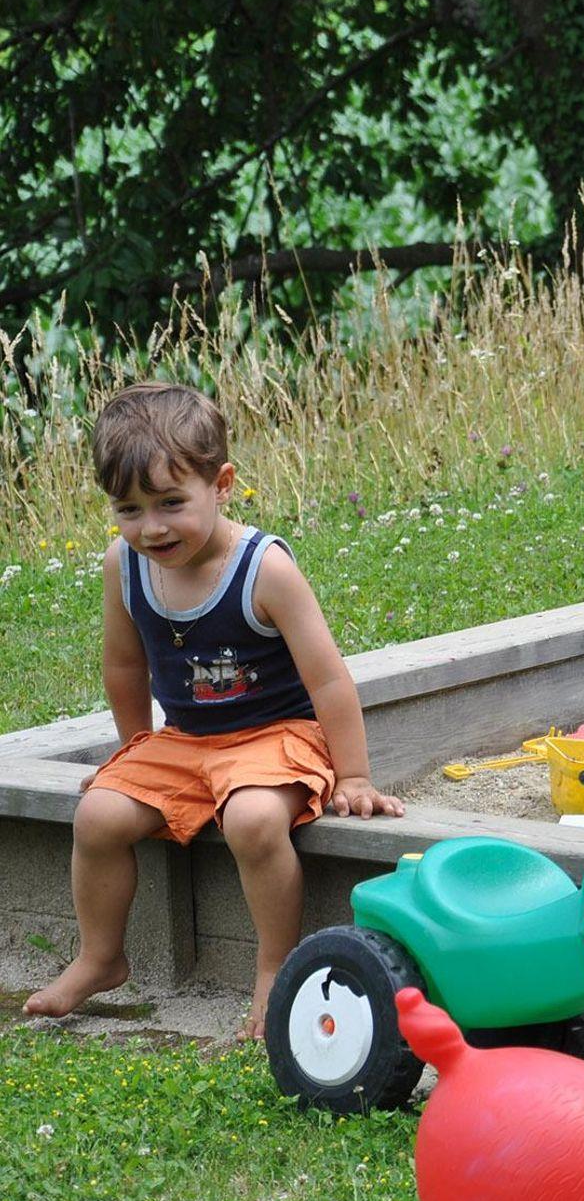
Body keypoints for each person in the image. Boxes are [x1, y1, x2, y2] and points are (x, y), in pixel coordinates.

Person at [25, 382, 403, 1038]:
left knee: (253, 821)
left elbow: (328, 680)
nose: (152, 527)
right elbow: (125, 667)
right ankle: (100, 956)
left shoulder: (264, 568)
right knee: (98, 815)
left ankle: (275, 967)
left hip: (277, 737)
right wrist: (135, 748)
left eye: (171, 502)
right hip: (187, 741)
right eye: (129, 509)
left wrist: (355, 775)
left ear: (221, 484)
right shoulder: (125, 566)